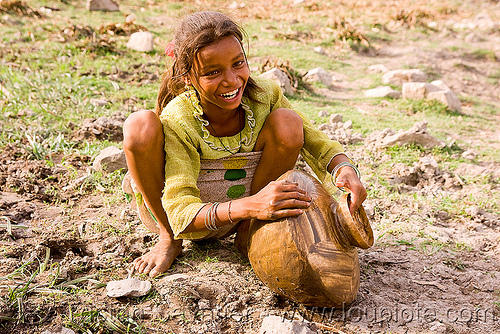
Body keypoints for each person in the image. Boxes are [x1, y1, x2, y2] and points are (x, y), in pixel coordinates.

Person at [122, 11, 367, 278]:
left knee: (288, 122)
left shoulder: (264, 94)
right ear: (188, 78)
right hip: (181, 217)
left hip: (250, 210)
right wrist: (251, 204)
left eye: (238, 63)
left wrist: (344, 168)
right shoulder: (179, 119)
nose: (231, 80)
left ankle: (248, 232)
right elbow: (180, 210)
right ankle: (168, 239)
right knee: (139, 126)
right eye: (212, 72)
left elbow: (315, 141)